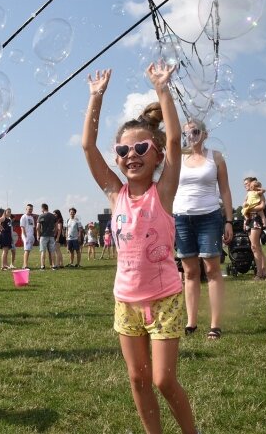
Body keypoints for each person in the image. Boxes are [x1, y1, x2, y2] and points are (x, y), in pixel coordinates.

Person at [82, 64, 197, 434]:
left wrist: (163, 89)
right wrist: (95, 97)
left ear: (158, 154)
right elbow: (87, 146)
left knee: (163, 379)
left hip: (164, 298)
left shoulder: (162, 193)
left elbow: (177, 141)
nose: (131, 154)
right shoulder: (116, 195)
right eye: (123, 149)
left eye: (141, 147)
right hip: (125, 300)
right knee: (138, 379)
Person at [173, 118, 234, 340]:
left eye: (196, 131)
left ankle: (215, 325)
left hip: (209, 217)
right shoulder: (177, 158)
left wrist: (229, 220)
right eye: (187, 133)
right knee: (189, 272)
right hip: (182, 218)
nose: (192, 136)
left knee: (212, 270)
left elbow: (225, 190)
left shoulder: (215, 157)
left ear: (205, 134)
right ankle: (191, 322)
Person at [242, 176, 266, 280]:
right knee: (256, 247)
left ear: (252, 183)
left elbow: (262, 206)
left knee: (254, 246)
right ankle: (264, 269)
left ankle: (259, 273)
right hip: (250, 220)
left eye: (247, 184)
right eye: (244, 185)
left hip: (256, 219)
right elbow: (244, 207)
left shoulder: (259, 193)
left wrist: (249, 208)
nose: (246, 186)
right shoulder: (248, 194)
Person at [36, 203, 57, 270]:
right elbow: (56, 227)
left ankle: (42, 266)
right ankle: (53, 266)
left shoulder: (41, 216)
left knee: (43, 251)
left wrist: (38, 234)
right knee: (52, 251)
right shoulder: (53, 216)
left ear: (42, 208)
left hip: (44, 236)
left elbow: (37, 227)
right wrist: (54, 233)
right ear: (47, 208)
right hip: (51, 236)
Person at [19, 203, 35, 269]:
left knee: (28, 250)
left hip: (31, 236)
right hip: (26, 236)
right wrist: (25, 237)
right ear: (26, 209)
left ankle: (24, 264)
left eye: (31, 209)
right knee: (26, 250)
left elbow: (32, 227)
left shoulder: (31, 217)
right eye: (29, 209)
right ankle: (25, 265)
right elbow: (22, 227)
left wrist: (32, 236)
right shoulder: (23, 217)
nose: (30, 210)